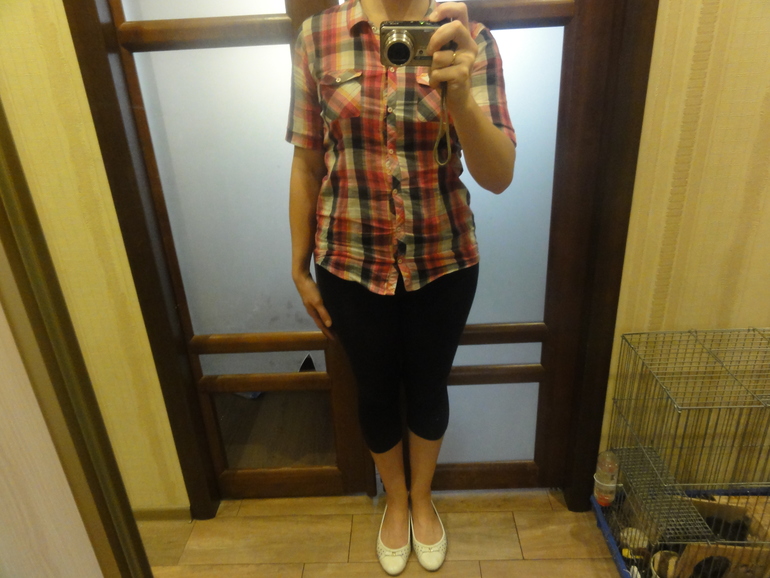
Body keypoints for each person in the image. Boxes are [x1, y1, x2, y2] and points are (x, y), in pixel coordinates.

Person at [287, 0, 515, 574]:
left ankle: (421, 498)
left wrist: (461, 96)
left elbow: (498, 176)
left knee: (429, 386)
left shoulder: (470, 39)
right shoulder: (318, 36)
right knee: (374, 391)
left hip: (443, 259)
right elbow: (307, 163)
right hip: (348, 261)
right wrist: (298, 266)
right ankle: (394, 499)